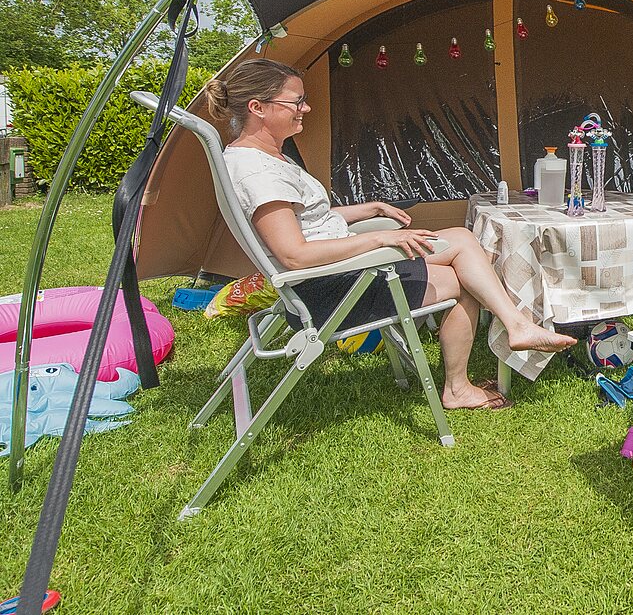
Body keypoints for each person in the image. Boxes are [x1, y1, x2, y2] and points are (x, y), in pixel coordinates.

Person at [203, 58, 574, 411]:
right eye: (297, 101)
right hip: (327, 291)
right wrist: (380, 238)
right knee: (464, 279)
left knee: (461, 240)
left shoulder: (256, 158)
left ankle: (516, 328)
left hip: (336, 273)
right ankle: (464, 382)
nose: (306, 108)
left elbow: (305, 221)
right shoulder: (259, 173)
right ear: (258, 107)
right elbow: (294, 254)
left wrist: (369, 209)